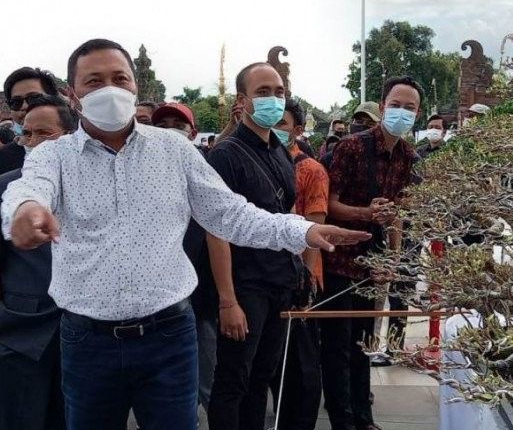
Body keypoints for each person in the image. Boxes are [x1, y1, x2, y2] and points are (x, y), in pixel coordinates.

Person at [0, 39, 369, 430]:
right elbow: (26, 190)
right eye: (94, 81)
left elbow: (229, 214)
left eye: (119, 78)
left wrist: (305, 230)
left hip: (169, 338)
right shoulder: (53, 156)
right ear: (74, 95)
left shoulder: (174, 151)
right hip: (88, 342)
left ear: (135, 85)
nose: (109, 89)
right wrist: (25, 211)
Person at [206, 62, 320, 430]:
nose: (273, 99)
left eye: (279, 92)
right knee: (233, 380)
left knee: (262, 377)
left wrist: (301, 267)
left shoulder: (282, 150)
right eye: (263, 92)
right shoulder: (226, 154)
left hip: (279, 281)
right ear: (243, 100)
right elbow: (216, 229)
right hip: (244, 285)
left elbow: (286, 214)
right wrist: (228, 300)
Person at [321, 76, 423, 430]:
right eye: (396, 105)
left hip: (373, 265)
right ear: (382, 108)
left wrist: (392, 260)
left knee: (364, 343)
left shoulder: (409, 156)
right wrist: (365, 212)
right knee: (338, 347)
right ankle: (342, 420)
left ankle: (363, 417)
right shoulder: (351, 147)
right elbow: (328, 206)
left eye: (410, 108)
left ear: (418, 114)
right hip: (339, 260)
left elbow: (399, 216)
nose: (402, 112)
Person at [0, 94, 78, 430]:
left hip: (86, 333)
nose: (32, 142)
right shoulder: (7, 187)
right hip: (22, 335)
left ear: (71, 137)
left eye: (44, 134)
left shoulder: (96, 186)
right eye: (26, 133)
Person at [152, 102, 219, 413]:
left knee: (206, 372)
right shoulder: (141, 173)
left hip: (201, 293)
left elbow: (221, 232)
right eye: (161, 124)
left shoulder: (207, 169)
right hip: (156, 300)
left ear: (192, 133)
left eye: (176, 125)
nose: (168, 131)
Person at [270, 100, 330, 430]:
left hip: (300, 280)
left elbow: (314, 230)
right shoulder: (259, 160)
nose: (276, 127)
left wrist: (306, 280)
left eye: (283, 122)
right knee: (274, 363)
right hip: (266, 279)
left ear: (297, 129)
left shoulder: (311, 171)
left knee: (303, 366)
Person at [0, 68, 61, 174]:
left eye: (34, 98)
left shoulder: (83, 146)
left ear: (55, 99)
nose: (25, 106)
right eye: (16, 102)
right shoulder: (4, 158)